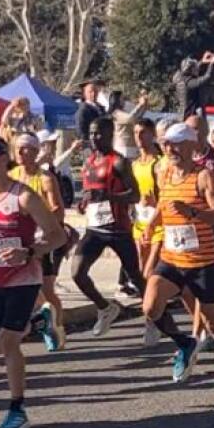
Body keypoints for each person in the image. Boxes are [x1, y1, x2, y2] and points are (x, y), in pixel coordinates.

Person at [0, 137, 67, 428]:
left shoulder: (23, 196)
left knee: (9, 342)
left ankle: (16, 408)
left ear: (2, 160)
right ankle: (39, 320)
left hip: (25, 277)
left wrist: (30, 252)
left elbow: (58, 235)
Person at [142, 123, 214, 395]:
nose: (169, 149)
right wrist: (153, 224)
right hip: (172, 257)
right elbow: (165, 204)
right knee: (151, 308)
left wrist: (193, 213)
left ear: (190, 145)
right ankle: (185, 343)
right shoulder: (164, 173)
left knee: (213, 322)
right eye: (166, 144)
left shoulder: (204, 176)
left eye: (175, 144)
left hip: (202, 261)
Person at [72, 117, 136, 337]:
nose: (94, 137)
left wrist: (109, 196)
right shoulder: (89, 161)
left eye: (99, 133)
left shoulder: (119, 162)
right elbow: (91, 191)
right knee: (77, 273)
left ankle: (157, 318)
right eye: (91, 133)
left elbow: (134, 195)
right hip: (95, 229)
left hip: (118, 229)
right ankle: (105, 307)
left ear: (110, 135)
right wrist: (83, 203)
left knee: (136, 277)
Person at [8, 133, 67, 348]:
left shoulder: (45, 178)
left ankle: (57, 328)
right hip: (21, 240)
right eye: (19, 149)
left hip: (44, 239)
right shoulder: (11, 176)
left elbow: (58, 211)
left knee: (48, 289)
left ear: (35, 152)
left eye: (27, 149)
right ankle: (45, 321)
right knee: (28, 286)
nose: (22, 153)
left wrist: (40, 221)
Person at [131, 117, 164, 346]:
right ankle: (155, 318)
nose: (139, 137)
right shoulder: (135, 164)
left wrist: (155, 202)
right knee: (142, 275)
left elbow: (168, 196)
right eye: (135, 132)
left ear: (152, 135)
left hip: (160, 225)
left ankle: (152, 323)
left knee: (149, 272)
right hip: (140, 225)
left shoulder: (160, 164)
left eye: (143, 132)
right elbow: (133, 194)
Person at [103, 89, 149, 159]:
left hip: (130, 148)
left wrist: (144, 104)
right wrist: (140, 104)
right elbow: (131, 118)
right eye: (122, 99)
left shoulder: (123, 113)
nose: (124, 101)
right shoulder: (116, 113)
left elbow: (137, 118)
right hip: (124, 148)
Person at [174, 52, 214, 118]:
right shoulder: (189, 83)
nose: (197, 69)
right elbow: (207, 78)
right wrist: (212, 64)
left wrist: (202, 61)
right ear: (191, 70)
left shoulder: (180, 78)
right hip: (191, 116)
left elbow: (191, 69)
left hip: (184, 114)